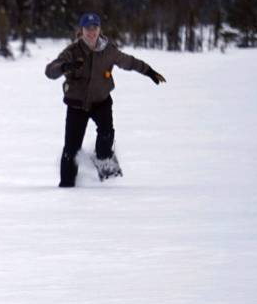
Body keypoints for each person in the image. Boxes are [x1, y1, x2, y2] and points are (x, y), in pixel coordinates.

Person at [45, 13, 166, 187]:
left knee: (107, 133)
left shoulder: (109, 50)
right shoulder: (72, 51)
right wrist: (65, 66)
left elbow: (129, 62)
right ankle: (67, 186)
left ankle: (106, 172)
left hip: (101, 101)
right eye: (88, 29)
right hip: (76, 104)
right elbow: (50, 71)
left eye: (95, 28)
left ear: (100, 29)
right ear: (82, 31)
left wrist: (149, 71)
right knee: (71, 149)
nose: (91, 33)